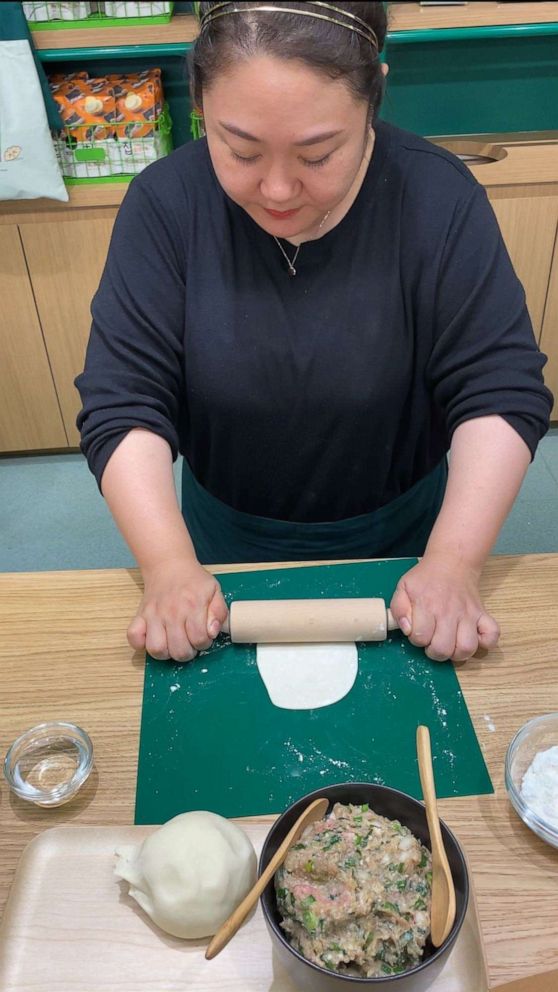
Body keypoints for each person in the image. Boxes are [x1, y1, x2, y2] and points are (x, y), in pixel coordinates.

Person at [76, 1, 552, 666]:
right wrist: (167, 566)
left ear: (373, 98)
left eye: (318, 153)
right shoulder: (165, 205)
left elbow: (499, 389)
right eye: (238, 149)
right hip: (221, 551)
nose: (275, 188)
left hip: (410, 543)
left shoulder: (439, 198)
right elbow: (123, 400)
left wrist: (452, 563)